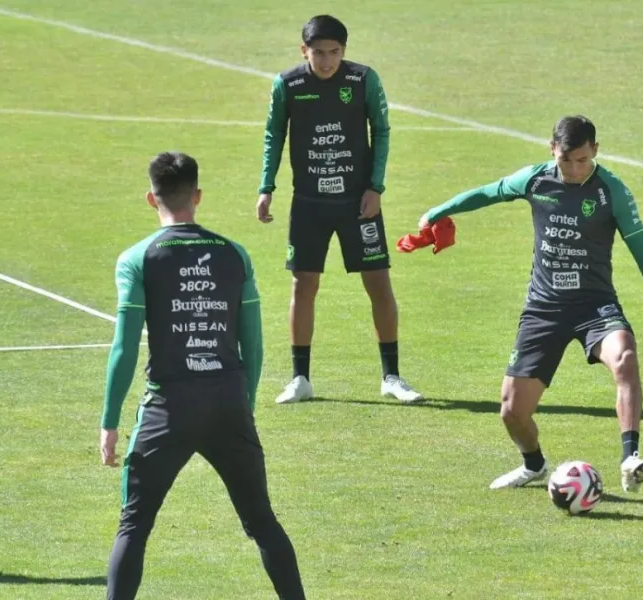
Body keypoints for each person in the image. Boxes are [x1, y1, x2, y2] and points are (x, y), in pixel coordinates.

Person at [418, 115, 643, 492]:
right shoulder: (535, 179)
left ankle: (630, 458)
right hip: (544, 308)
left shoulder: (611, 191)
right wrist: (438, 212)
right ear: (552, 150)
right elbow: (489, 192)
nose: (573, 168)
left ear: (596, 152)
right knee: (512, 411)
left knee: (626, 359)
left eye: (582, 160)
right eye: (566, 160)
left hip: (595, 305)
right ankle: (534, 464)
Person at [100, 152, 307, 600]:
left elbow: (123, 347)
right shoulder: (234, 254)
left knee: (133, 526)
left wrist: (109, 421)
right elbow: (251, 345)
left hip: (168, 409)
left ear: (150, 198)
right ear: (197, 196)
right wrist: (243, 405)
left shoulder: (138, 259)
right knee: (263, 523)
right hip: (229, 402)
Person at [256, 14, 421, 404]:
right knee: (304, 285)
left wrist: (375, 187)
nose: (327, 61)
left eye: (334, 53)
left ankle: (392, 377)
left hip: (357, 203)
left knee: (378, 284)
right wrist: (266, 188)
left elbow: (380, 131)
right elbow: (273, 135)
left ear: (344, 51)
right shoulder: (289, 84)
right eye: (318, 53)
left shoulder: (363, 80)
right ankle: (300, 379)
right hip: (309, 203)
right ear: (304, 51)